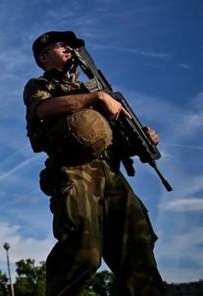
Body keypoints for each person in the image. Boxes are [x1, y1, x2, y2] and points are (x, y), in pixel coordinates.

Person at [23, 31, 166, 296]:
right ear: (43, 57)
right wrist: (94, 99)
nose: (69, 49)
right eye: (60, 45)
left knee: (138, 252)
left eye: (71, 46)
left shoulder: (98, 87)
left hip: (111, 173)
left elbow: (117, 137)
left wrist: (143, 138)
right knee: (82, 252)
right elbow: (43, 110)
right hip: (74, 171)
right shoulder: (40, 85)